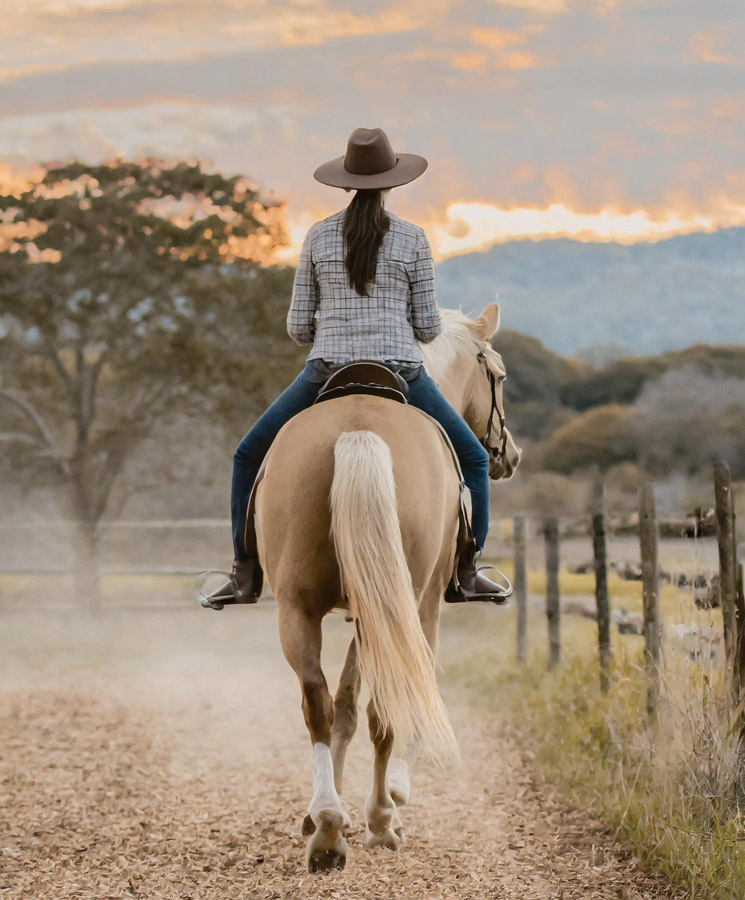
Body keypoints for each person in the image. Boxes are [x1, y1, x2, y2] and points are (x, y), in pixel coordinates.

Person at [205, 127, 504, 607]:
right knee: (472, 459)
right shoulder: (412, 239)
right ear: (392, 183)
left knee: (247, 455)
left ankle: (244, 572)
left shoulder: (318, 236)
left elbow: (299, 327)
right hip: (402, 373)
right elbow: (428, 329)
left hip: (327, 372)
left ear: (344, 184)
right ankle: (467, 572)